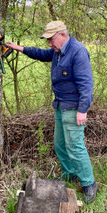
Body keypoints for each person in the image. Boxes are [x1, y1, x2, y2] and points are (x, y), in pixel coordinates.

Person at [6, 21, 97, 203]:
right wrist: (18, 48)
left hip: (74, 107)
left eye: (51, 39)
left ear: (63, 35)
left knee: (75, 146)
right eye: (47, 40)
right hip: (60, 106)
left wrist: (82, 110)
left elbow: (86, 84)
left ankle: (89, 183)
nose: (49, 43)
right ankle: (70, 174)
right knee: (60, 144)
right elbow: (40, 54)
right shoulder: (57, 51)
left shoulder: (77, 52)